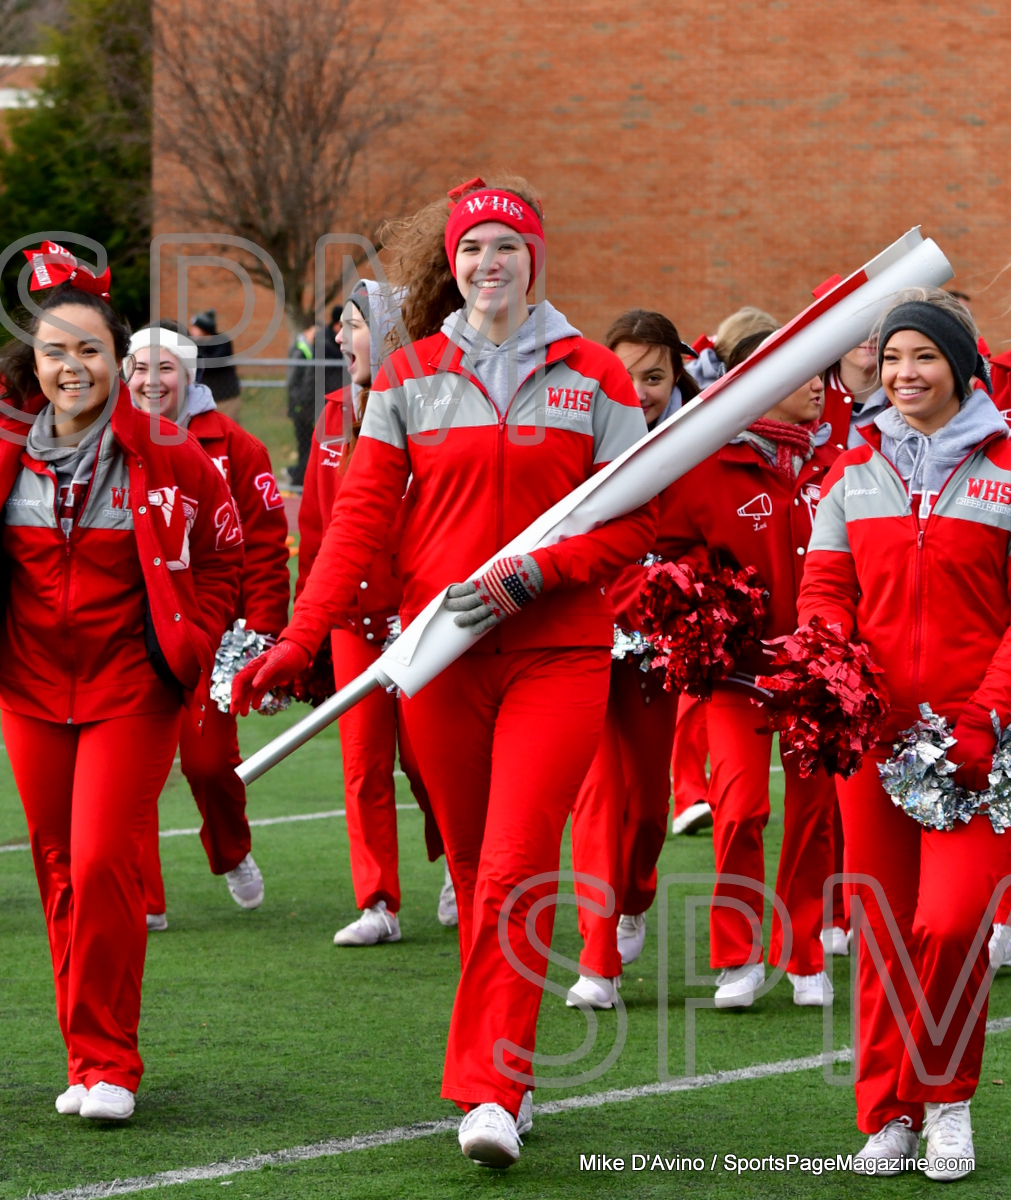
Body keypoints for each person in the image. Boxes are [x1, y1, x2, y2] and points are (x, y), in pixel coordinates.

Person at [231, 175, 657, 1169]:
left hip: (556, 652)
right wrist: (298, 637)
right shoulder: (410, 375)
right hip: (440, 654)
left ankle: (490, 1090)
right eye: (472, 248)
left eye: (506, 246)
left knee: (513, 865)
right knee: (473, 871)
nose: (488, 263)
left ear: (534, 257)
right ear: (452, 263)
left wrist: (539, 572)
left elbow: (635, 521)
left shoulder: (595, 374)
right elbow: (357, 522)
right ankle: (509, 1070)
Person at [0, 250, 242, 1120]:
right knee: (59, 869)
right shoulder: (6, 450)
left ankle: (109, 1064)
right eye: (55, 351)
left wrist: (191, 637)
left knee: (103, 861)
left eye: (90, 350)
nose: (73, 367)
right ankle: (85, 1057)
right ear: (33, 362)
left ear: (118, 358)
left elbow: (224, 553)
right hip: (29, 690)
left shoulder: (168, 451)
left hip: (132, 689)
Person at [798, 287, 1010, 1180]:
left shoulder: (1007, 468)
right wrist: (834, 670)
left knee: (951, 922)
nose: (902, 373)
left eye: (922, 356)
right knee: (882, 931)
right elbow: (823, 590)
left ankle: (946, 1102)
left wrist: (982, 719)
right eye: (889, 358)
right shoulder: (851, 470)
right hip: (874, 739)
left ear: (959, 367)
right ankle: (888, 1113)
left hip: (976, 744)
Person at [664, 329, 840, 1011]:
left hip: (817, 679)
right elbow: (668, 555)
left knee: (813, 817)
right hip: (738, 675)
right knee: (740, 810)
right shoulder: (707, 466)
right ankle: (736, 955)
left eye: (821, 372)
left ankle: (804, 953)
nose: (819, 384)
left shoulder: (839, 465)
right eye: (804, 372)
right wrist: (702, 601)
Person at [296, 280, 451, 945]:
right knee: (363, 766)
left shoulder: (437, 409)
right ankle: (377, 903)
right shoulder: (332, 413)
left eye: (353, 322)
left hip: (420, 619)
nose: (338, 335)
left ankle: (458, 864)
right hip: (351, 623)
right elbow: (316, 525)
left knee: (428, 761)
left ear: (391, 333)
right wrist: (305, 623)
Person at [127, 323, 291, 928]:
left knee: (207, 763)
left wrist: (263, 633)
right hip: (128, 633)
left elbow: (266, 548)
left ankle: (231, 850)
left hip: (209, 633)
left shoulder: (237, 447)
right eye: (139, 368)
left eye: (165, 368)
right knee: (127, 772)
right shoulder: (107, 439)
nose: (151, 381)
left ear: (189, 376)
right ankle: (142, 898)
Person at [566, 309, 700, 1007]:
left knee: (647, 805)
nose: (641, 391)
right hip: (580, 636)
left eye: (655, 377)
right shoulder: (576, 432)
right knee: (596, 795)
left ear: (676, 377)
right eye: (627, 376)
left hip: (657, 648)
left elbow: (710, 540)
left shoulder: (697, 443)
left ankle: (634, 897)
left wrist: (684, 593)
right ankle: (596, 963)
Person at [286, 308, 348, 489]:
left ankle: (301, 477)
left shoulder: (319, 346)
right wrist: (302, 401)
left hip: (317, 402)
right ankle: (300, 479)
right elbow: (299, 379)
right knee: (309, 445)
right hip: (308, 404)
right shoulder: (310, 348)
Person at [189, 310, 242, 420]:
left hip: (225, 398)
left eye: (196, 328)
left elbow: (212, 363)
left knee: (228, 427)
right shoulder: (194, 344)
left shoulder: (222, 341)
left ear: (205, 329)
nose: (192, 331)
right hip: (204, 401)